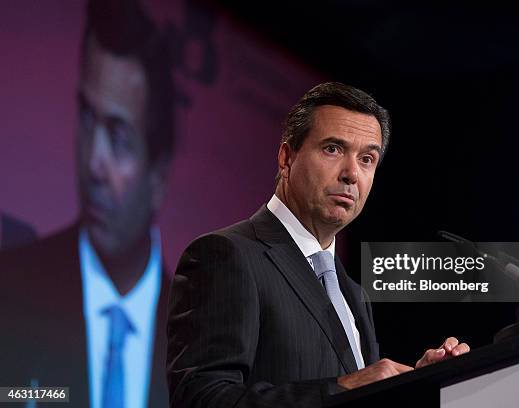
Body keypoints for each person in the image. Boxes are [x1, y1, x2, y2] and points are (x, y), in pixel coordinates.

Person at [166, 82, 469, 407]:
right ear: (286, 158)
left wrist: (415, 383)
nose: (352, 174)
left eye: (367, 159)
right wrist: (343, 387)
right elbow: (201, 398)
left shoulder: (352, 293)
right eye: (333, 149)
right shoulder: (226, 255)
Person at [0, 0, 174, 406]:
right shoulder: (9, 291)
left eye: (118, 137)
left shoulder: (207, 346)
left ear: (158, 175)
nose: (93, 162)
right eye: (87, 119)